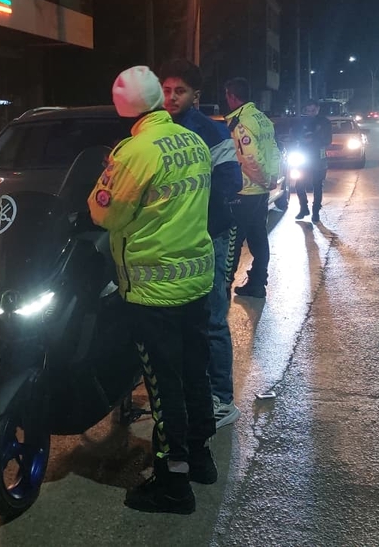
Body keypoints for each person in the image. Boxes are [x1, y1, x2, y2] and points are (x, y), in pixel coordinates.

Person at [88, 66, 217, 515]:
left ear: (124, 107)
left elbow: (105, 216)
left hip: (153, 290)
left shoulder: (133, 152)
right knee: (194, 374)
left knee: (164, 391)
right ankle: (201, 460)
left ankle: (172, 486)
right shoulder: (192, 139)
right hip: (196, 281)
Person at [158, 58, 243, 429]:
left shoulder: (212, 132)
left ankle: (221, 399)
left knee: (211, 318)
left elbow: (229, 183)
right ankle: (189, 389)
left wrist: (191, 218)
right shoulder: (154, 130)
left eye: (180, 91)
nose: (171, 97)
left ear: (196, 95)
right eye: (166, 90)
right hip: (171, 239)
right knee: (177, 321)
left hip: (210, 236)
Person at [224, 77, 281, 298]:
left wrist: (264, 179)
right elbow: (274, 150)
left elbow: (249, 158)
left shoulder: (241, 122)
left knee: (234, 241)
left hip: (244, 190)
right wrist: (271, 178)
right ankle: (257, 283)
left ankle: (224, 286)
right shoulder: (262, 118)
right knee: (258, 237)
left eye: (227, 95)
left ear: (232, 96)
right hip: (260, 192)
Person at [292, 101, 333, 223]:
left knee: (317, 185)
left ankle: (315, 212)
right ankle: (304, 208)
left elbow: (328, 140)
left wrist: (314, 138)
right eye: (308, 111)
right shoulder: (301, 122)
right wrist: (301, 138)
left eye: (313, 111)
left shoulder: (324, 122)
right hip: (303, 156)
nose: (310, 113)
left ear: (318, 109)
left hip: (318, 158)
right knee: (299, 184)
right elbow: (295, 134)